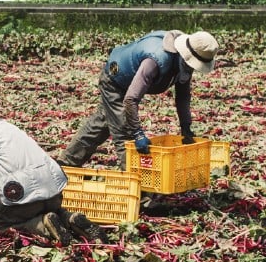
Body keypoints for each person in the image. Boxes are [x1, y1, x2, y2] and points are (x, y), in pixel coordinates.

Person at [0, 101, 102, 244]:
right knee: (49, 209)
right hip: (54, 191)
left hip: (24, 198)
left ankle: (42, 225)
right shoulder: (3, 126)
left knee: (0, 225)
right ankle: (69, 218)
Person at [57, 30, 219, 169]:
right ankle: (141, 196)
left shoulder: (185, 63)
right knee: (125, 135)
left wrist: (186, 127)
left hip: (130, 84)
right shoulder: (156, 61)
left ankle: (65, 164)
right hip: (115, 80)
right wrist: (138, 133)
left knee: (103, 123)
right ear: (186, 55)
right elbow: (130, 99)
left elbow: (183, 96)